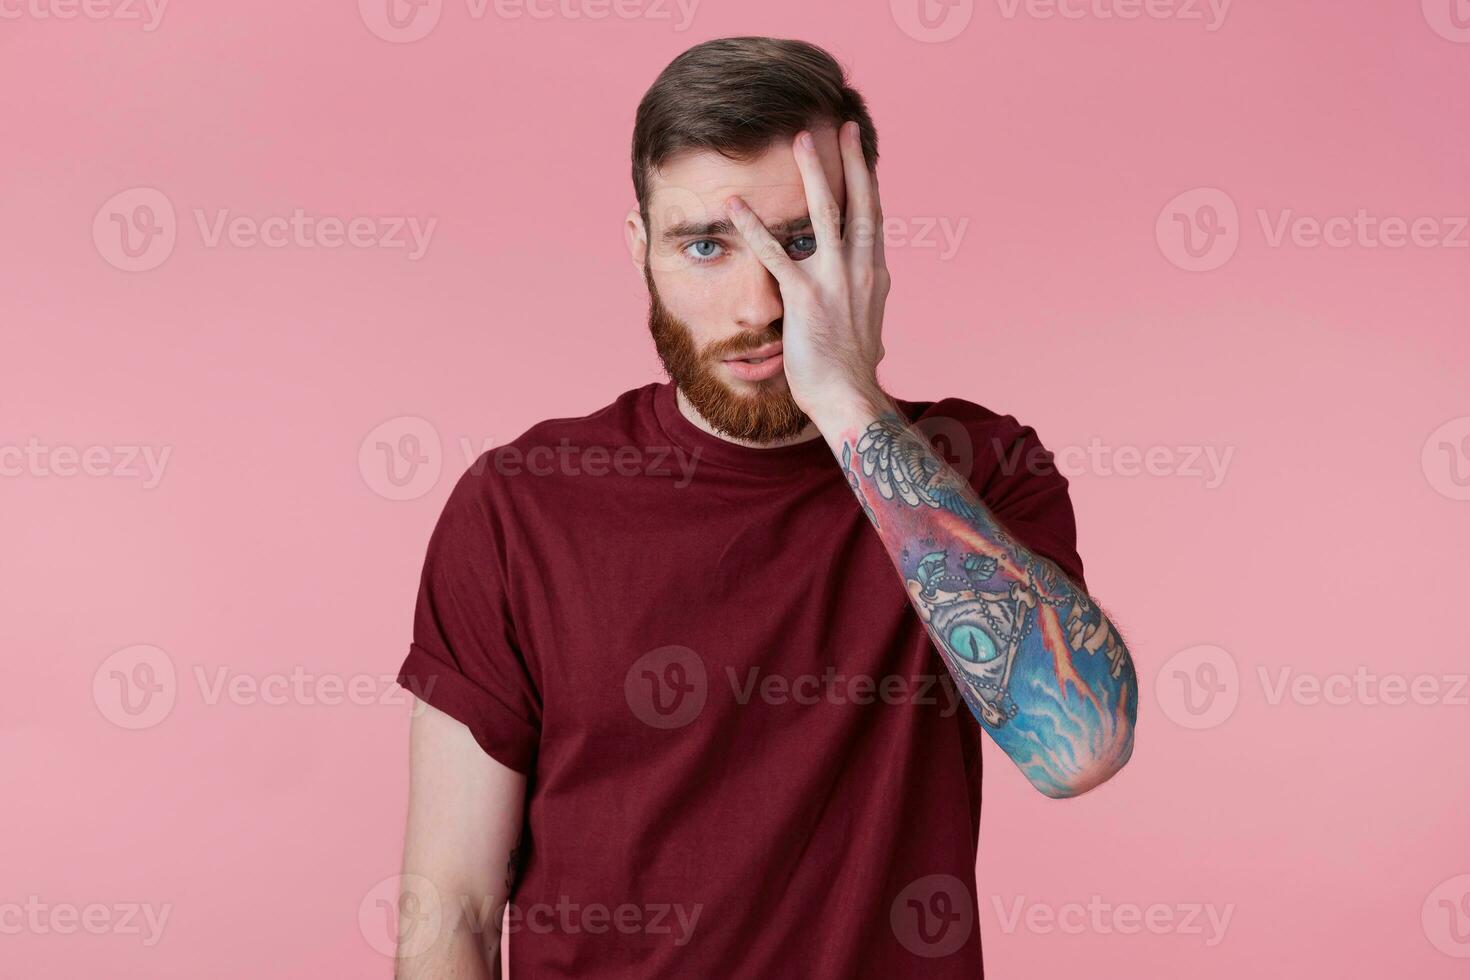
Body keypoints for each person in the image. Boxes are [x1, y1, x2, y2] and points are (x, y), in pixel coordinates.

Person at [394, 35, 1137, 979]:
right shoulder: (519, 506)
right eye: (705, 245)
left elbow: (1080, 749)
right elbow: (451, 908)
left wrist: (848, 404)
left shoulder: (976, 472)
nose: (757, 305)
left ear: (864, 244)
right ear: (641, 254)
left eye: (799, 244)